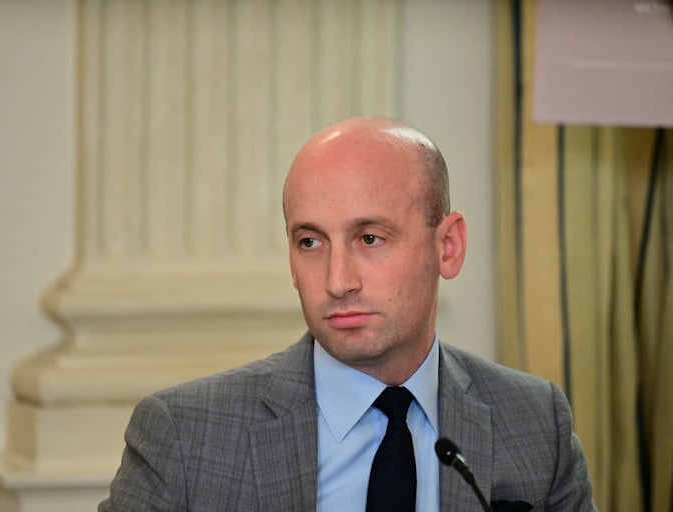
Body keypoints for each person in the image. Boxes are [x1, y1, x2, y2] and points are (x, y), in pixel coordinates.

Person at [98, 116, 596, 511]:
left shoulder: (534, 421)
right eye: (310, 242)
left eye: (370, 238)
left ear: (447, 247)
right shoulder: (186, 435)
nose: (337, 281)